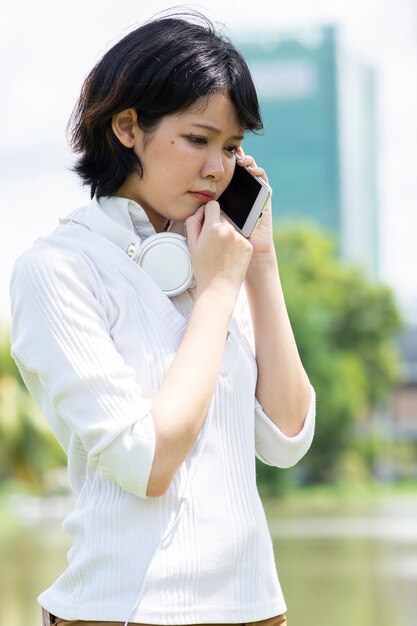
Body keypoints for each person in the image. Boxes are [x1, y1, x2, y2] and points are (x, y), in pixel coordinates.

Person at [9, 10, 315, 626]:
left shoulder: (219, 258)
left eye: (231, 148)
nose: (217, 168)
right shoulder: (59, 269)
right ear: (127, 127)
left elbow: (287, 438)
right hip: (120, 612)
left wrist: (260, 265)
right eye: (198, 140)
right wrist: (216, 292)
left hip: (255, 610)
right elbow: (146, 463)